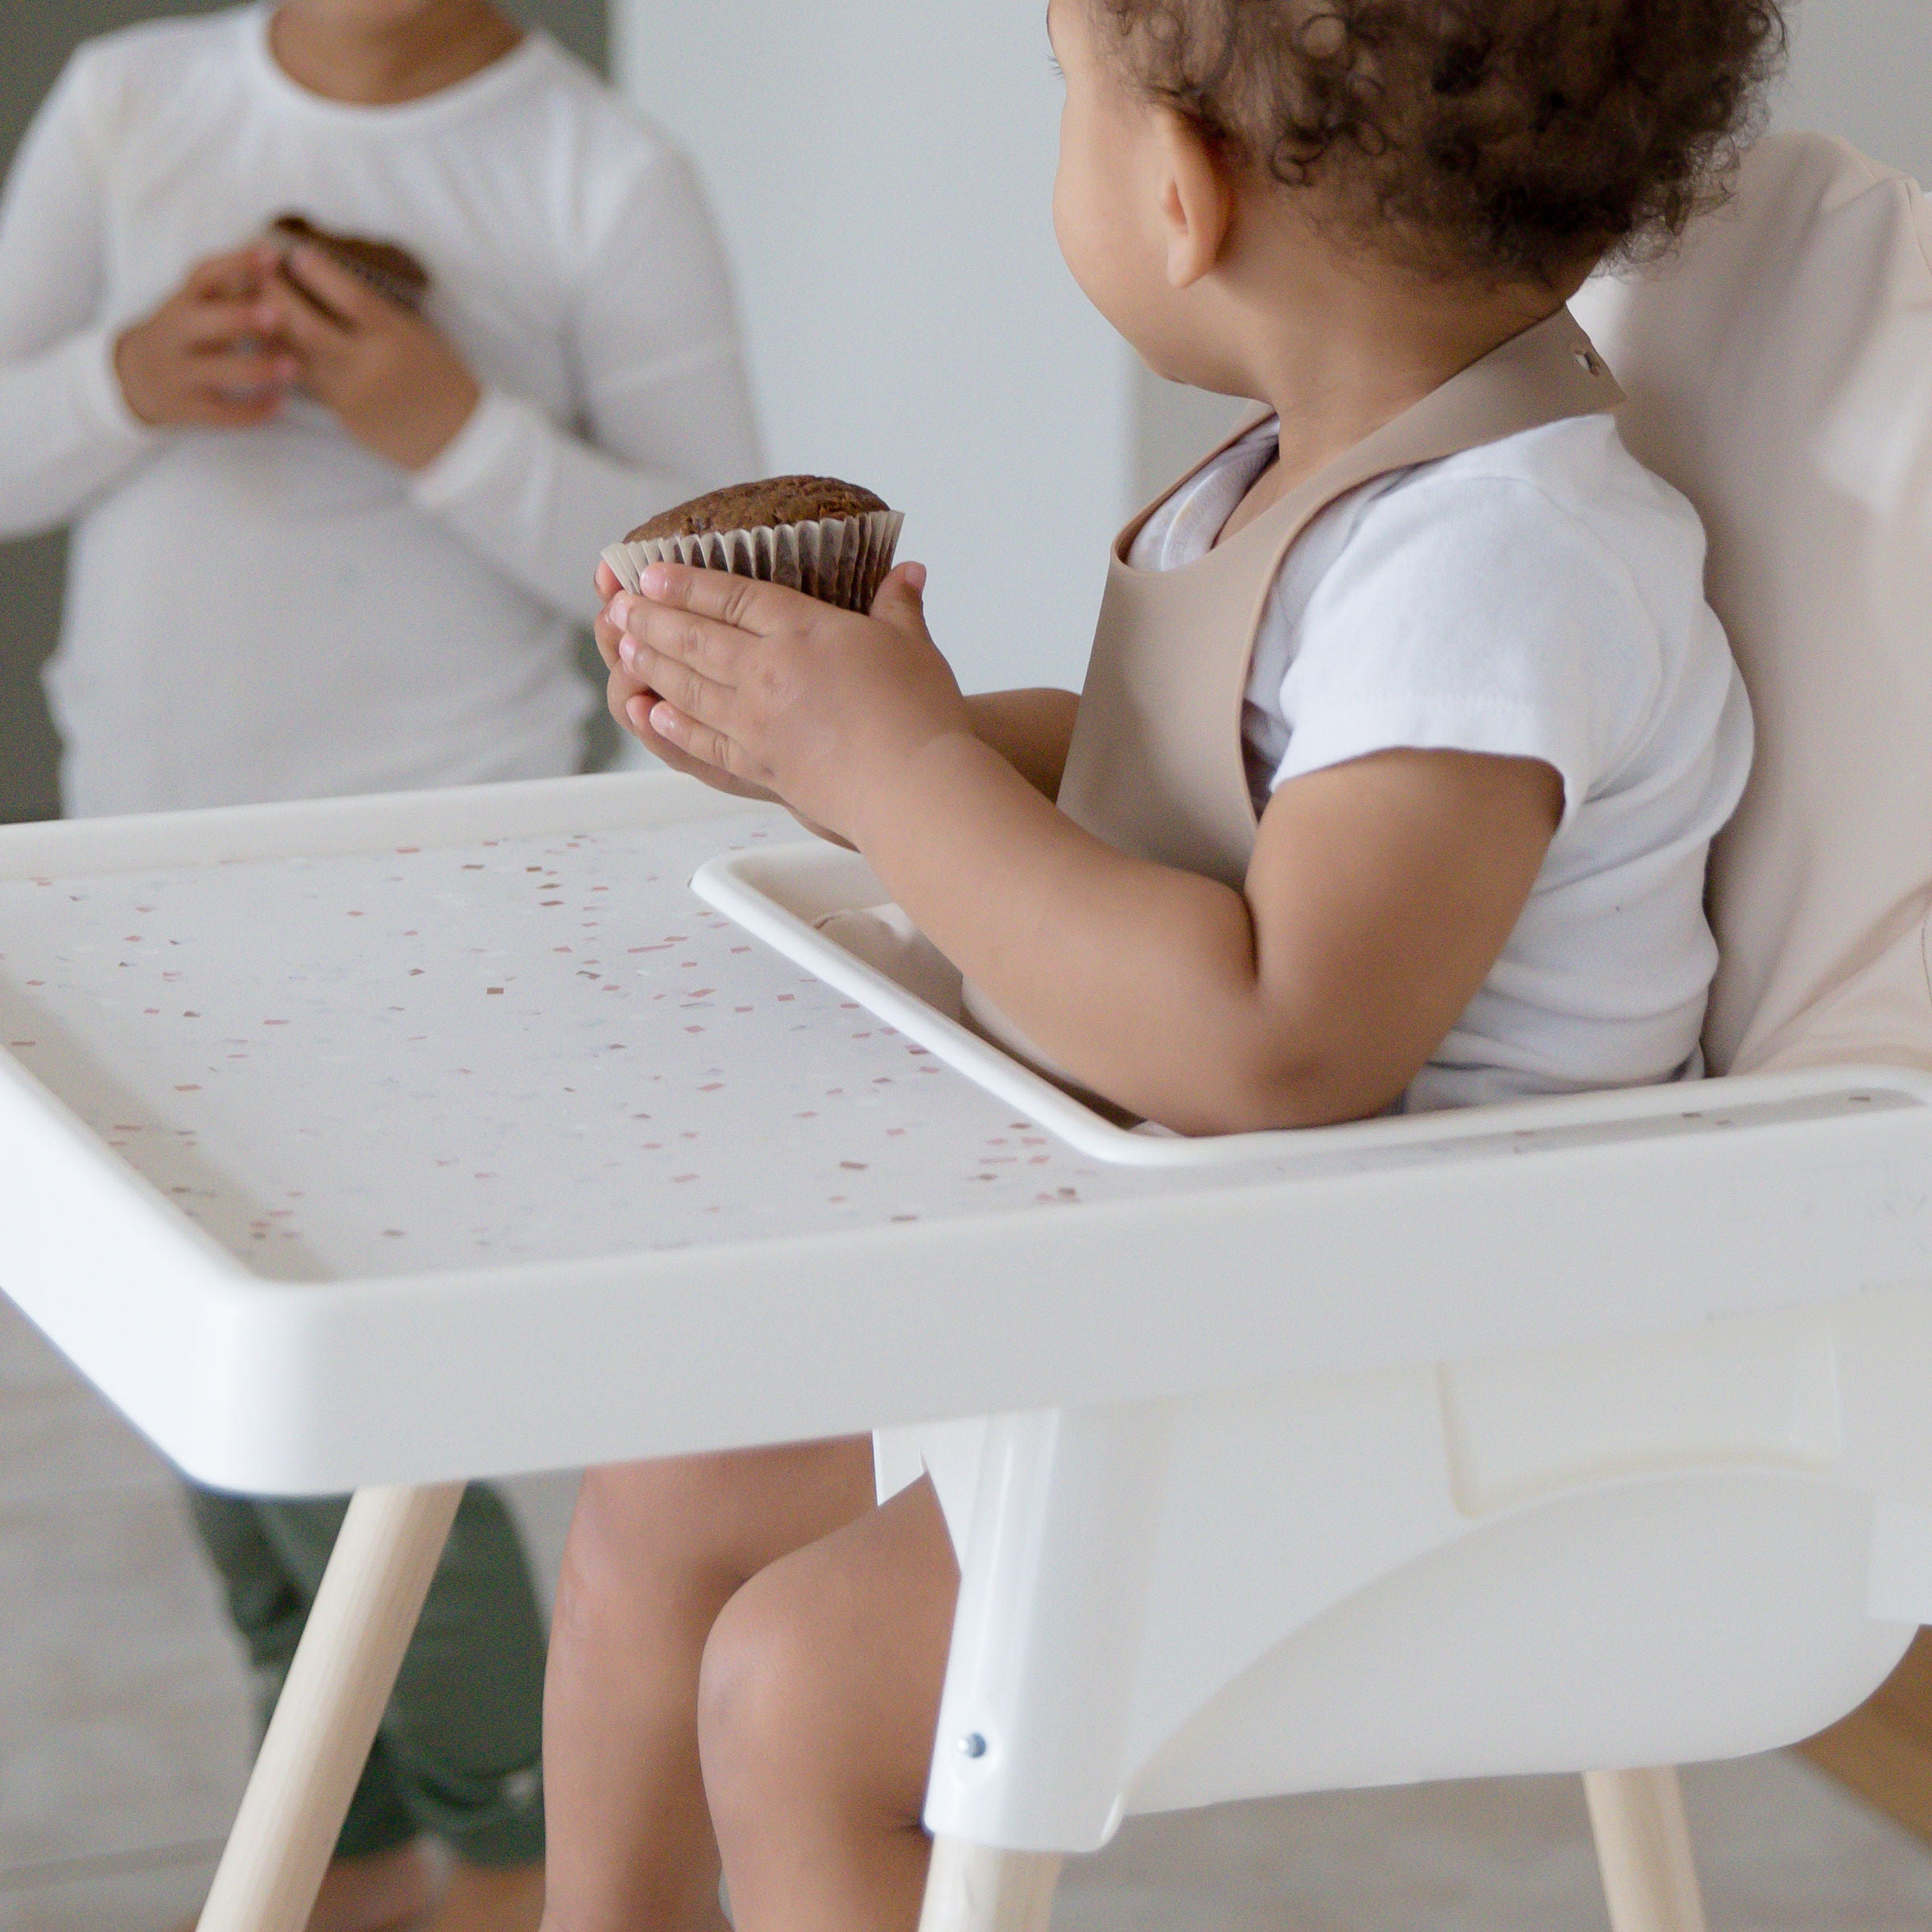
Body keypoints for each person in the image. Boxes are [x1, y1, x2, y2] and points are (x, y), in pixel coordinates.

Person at [543, 0, 1782, 1927]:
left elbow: (1277, 1041)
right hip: (1209, 1294)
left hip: (1423, 1379)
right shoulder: (1310, 484)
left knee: (805, 1692)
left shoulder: (1501, 566)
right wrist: (876, 744)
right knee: (671, 1494)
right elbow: (1184, 795)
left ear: (1182, 192)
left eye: (1067, 91)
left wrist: (900, 777)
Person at [0, 2, 759, 1928]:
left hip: (441, 891)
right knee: (189, 1376)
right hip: (140, 857)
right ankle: (346, 1824)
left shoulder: (598, 175)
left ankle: (513, 1851)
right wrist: (121, 380)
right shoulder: (131, 105)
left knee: (346, 1401)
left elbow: (713, 571)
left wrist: (453, 429)